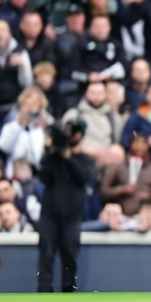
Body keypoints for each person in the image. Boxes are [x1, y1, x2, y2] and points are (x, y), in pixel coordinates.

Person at [37, 119, 90, 292]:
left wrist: (67, 157)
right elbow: (43, 176)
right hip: (49, 215)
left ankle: (69, 291)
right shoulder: (51, 160)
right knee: (46, 255)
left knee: (70, 257)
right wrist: (48, 150)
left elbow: (83, 178)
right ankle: (44, 291)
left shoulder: (83, 159)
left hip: (72, 216)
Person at [101, 133, 151, 216]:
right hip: (120, 215)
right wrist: (122, 189)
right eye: (136, 143)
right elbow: (104, 192)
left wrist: (150, 198)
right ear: (131, 144)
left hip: (146, 216)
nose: (139, 146)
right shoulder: (118, 166)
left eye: (143, 143)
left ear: (147, 146)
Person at [62, 81, 123, 163]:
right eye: (93, 92)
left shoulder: (114, 117)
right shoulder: (74, 114)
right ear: (86, 93)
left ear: (105, 94)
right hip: (80, 157)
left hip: (106, 159)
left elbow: (118, 140)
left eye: (100, 93)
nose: (96, 96)